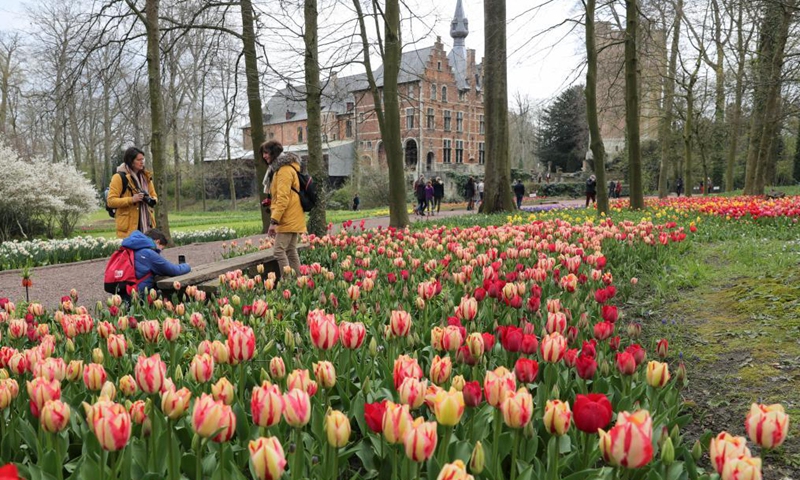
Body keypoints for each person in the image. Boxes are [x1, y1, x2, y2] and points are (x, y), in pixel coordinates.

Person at [261, 140, 307, 275]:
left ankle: (288, 283)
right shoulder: (279, 169)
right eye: (263, 153)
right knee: (291, 250)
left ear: (274, 153)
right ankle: (299, 281)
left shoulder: (284, 170)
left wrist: (273, 222)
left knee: (278, 251)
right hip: (292, 215)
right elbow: (282, 195)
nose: (264, 156)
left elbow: (283, 198)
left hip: (287, 217)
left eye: (266, 153)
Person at [120, 229, 190, 300]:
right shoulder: (149, 253)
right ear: (157, 242)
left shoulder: (129, 248)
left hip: (123, 291)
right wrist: (186, 266)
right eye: (161, 249)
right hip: (139, 295)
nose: (159, 253)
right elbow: (174, 270)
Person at [107, 147, 158, 239]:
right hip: (129, 228)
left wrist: (150, 199)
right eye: (138, 160)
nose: (142, 162)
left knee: (146, 253)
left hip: (147, 225)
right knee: (131, 253)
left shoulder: (146, 177)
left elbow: (154, 196)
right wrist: (132, 199)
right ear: (130, 161)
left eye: (143, 159)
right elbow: (111, 201)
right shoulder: (119, 177)